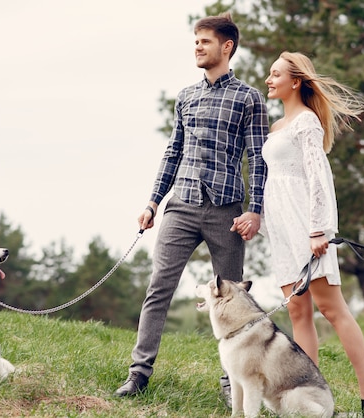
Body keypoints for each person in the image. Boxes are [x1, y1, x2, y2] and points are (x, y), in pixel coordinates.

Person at [114, 12, 268, 406]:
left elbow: (259, 157)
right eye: (195, 41)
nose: (197, 47)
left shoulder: (248, 98)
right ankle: (139, 374)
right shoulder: (185, 97)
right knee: (158, 288)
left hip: (227, 212)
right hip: (180, 206)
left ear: (227, 47)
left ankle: (231, 383)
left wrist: (256, 210)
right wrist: (153, 201)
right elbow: (173, 152)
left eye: (205, 41)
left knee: (235, 300)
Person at [237, 51, 364, 416]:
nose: (269, 80)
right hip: (282, 228)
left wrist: (319, 229)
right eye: (269, 74)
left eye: (275, 75)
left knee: (331, 308)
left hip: (306, 224)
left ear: (295, 82)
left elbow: (319, 177)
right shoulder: (276, 128)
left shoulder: (306, 122)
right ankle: (311, 400)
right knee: (298, 312)